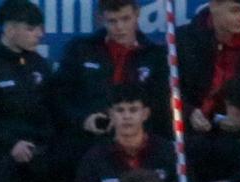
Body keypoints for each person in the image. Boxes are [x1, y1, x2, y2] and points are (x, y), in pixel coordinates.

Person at [0, 0, 57, 182]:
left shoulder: (39, 65)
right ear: (10, 29)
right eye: (31, 29)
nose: (39, 34)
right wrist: (10, 144)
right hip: (1, 162)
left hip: (37, 162)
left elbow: (52, 111)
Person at [54, 0, 166, 145]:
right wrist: (84, 119)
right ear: (101, 19)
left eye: (125, 19)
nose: (119, 27)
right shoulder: (81, 50)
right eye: (112, 21)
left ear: (137, 14)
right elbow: (59, 95)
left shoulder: (154, 55)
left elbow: (161, 104)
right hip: (88, 141)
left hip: (139, 142)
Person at [72, 83, 179, 182]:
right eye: (120, 110)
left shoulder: (168, 153)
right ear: (110, 114)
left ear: (145, 114)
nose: (127, 116)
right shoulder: (94, 158)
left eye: (133, 110)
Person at [179, 0, 240, 131]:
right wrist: (188, 111)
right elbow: (168, 87)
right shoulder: (185, 39)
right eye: (235, 10)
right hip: (188, 126)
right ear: (213, 6)